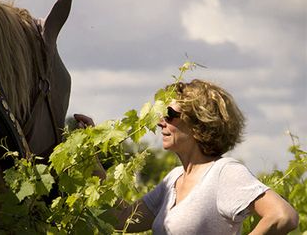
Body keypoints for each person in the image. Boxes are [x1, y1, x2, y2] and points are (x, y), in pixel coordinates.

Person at [74, 79, 299, 234]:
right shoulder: (173, 180)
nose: (161, 121)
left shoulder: (224, 173)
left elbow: (283, 216)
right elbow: (122, 217)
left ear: (199, 122)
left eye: (170, 115)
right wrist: (90, 156)